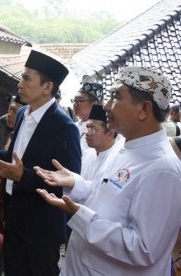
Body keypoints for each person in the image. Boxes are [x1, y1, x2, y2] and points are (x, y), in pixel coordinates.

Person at [35, 66, 181, 275]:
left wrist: (79, 215)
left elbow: (143, 249)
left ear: (144, 109)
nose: (106, 105)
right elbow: (104, 195)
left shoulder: (162, 169)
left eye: (115, 97)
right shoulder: (123, 145)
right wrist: (74, 182)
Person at [0, 49, 81, 276]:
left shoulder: (64, 127)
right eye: (22, 77)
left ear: (48, 87)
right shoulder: (22, 114)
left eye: (27, 78)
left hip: (41, 228)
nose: (19, 84)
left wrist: (23, 176)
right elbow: (15, 160)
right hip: (15, 217)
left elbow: (68, 183)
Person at [72, 76, 104, 151]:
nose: (75, 104)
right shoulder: (74, 126)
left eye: (80, 101)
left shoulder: (102, 129)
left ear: (94, 104)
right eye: (74, 100)